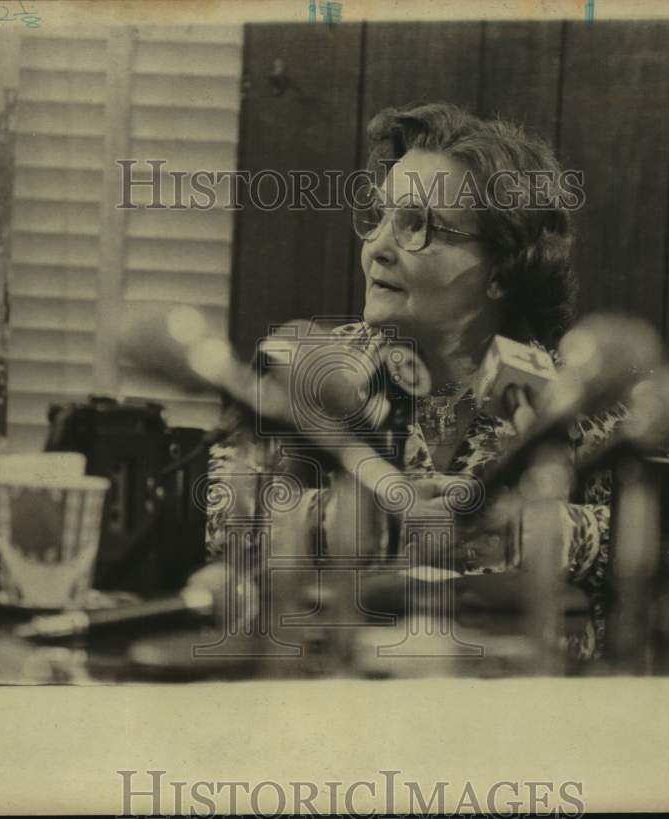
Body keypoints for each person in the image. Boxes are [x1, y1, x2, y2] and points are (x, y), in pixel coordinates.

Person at [203, 102, 626, 661]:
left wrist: (520, 533)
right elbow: (225, 525)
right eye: (378, 218)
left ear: (502, 269)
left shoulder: (576, 398)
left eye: (416, 227)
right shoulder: (305, 369)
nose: (376, 248)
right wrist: (379, 518)